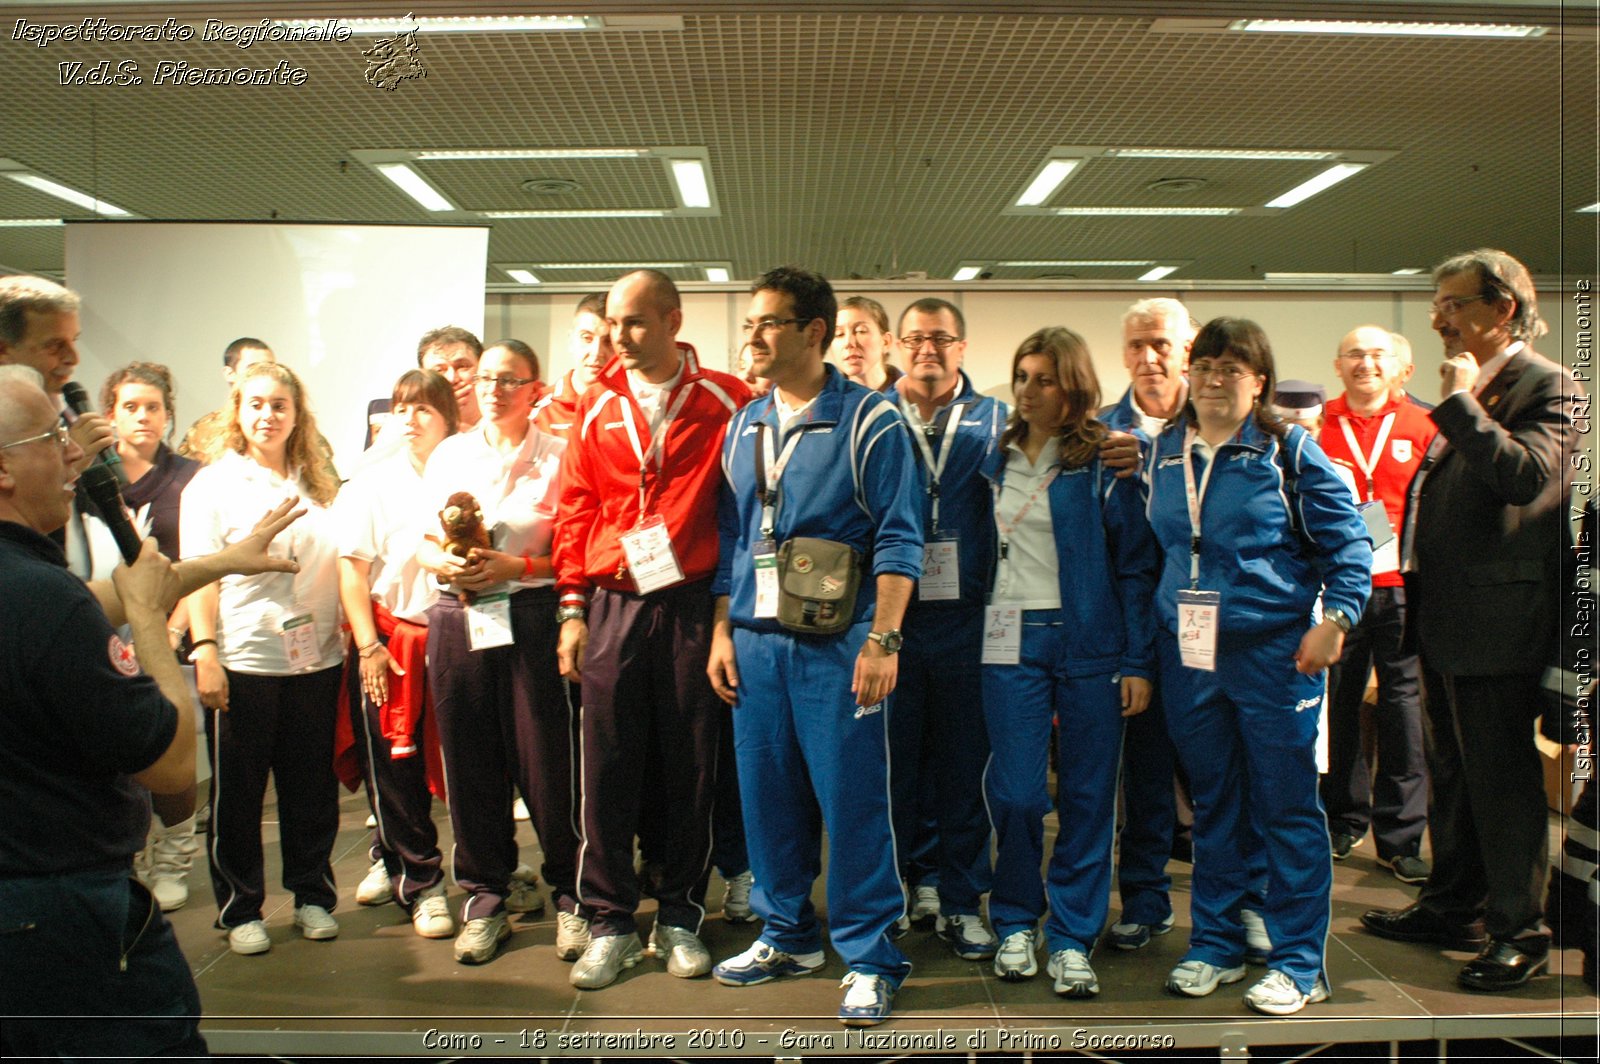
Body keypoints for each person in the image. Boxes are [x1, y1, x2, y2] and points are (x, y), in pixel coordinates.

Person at [0, 362, 302, 1057]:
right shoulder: (41, 599)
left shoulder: (31, 590)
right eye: (53, 437)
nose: (77, 451)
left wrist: (224, 561)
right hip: (64, 922)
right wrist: (156, 629)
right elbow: (170, 769)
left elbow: (93, 600)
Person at [1362, 249, 1581, 991]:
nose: (1438, 316)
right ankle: (1454, 905)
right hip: (1447, 620)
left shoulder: (1548, 385)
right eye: (1437, 301)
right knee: (1453, 776)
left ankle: (1522, 930)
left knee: (1502, 782)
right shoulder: (1477, 388)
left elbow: (1527, 478)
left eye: (1453, 303)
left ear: (1503, 308)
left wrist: (1460, 405)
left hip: (1500, 625)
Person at [708, 266, 921, 1027]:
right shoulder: (745, 423)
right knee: (766, 796)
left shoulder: (871, 422)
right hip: (759, 646)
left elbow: (901, 539)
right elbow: (734, 537)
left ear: (814, 332)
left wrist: (883, 640)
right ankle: (788, 932)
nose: (754, 338)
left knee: (853, 801)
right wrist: (722, 632)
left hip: (841, 646)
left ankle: (869, 955)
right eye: (750, 325)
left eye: (768, 323)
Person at [1144, 317, 1371, 1015]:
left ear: (1259, 382)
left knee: (1286, 806)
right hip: (1191, 653)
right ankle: (1215, 943)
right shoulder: (1163, 452)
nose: (1214, 379)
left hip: (1275, 655)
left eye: (1232, 369)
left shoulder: (1288, 452)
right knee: (1214, 803)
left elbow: (1351, 547)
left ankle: (1299, 963)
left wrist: (1336, 622)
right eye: (1205, 365)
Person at [552, 269, 750, 988]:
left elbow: (747, 510)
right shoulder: (595, 401)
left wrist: (731, 610)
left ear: (672, 319)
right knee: (606, 765)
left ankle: (680, 914)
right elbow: (575, 509)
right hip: (614, 602)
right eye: (612, 323)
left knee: (691, 764)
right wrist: (571, 611)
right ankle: (608, 920)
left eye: (634, 322)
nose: (619, 337)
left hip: (694, 603)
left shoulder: (731, 399)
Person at [981, 327, 1158, 998]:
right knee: (1020, 793)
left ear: (1074, 386)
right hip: (1008, 642)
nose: (1028, 391)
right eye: (1022, 376)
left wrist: (1137, 658)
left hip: (1090, 643)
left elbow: (1137, 567)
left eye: (1044, 379)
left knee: (1088, 796)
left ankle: (1074, 936)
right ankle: (1017, 920)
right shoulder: (992, 458)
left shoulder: (1105, 463)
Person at [415, 340, 577, 965]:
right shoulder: (451, 453)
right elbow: (422, 543)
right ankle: (486, 895)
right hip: (461, 617)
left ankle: (570, 893)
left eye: (510, 379)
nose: (493, 389)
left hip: (532, 614)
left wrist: (519, 564)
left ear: (535, 388)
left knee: (547, 764)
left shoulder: (561, 456)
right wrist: (447, 561)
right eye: (485, 378)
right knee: (470, 761)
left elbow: (575, 551)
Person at [181, 361, 346, 956]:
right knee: (240, 793)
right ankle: (240, 907)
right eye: (256, 403)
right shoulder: (212, 486)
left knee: (310, 789)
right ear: (237, 410)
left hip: (318, 659)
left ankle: (313, 897)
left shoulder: (320, 481)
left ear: (297, 414)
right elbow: (199, 578)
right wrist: (205, 651)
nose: (267, 415)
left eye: (279, 404)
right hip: (245, 658)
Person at [885, 296, 1002, 954]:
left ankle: (961, 899)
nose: (927, 349)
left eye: (941, 338)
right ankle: (902, 885)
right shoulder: (872, 415)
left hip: (968, 622)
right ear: (899, 347)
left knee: (964, 771)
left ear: (962, 348)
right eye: (916, 339)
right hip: (892, 619)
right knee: (894, 769)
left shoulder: (997, 421)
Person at [336, 370, 458, 938]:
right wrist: (368, 647)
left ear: (448, 419)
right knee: (395, 768)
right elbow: (352, 572)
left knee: (473, 766)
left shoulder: (466, 471)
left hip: (460, 637)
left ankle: (490, 877)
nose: (410, 419)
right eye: (402, 408)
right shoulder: (371, 484)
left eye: (424, 409)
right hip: (393, 639)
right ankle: (421, 882)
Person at [1095, 297, 1195, 952]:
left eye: (1160, 343)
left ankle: (1236, 898)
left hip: (1210, 621)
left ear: (1187, 347)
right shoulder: (1097, 432)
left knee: (1219, 775)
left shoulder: (1216, 421)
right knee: (1146, 772)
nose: (1148, 357)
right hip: (1130, 627)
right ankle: (1145, 896)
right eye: (1135, 345)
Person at [1317, 326, 1435, 883]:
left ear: (1403, 370)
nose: (1366, 363)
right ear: (1338, 366)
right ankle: (1343, 818)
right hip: (1338, 586)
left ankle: (1402, 834)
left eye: (1378, 354)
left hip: (1403, 587)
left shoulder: (1431, 425)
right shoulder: (1315, 425)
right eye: (1355, 354)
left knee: (1402, 709)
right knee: (1337, 704)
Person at [101, 362, 205, 911]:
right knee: (117, 750)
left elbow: (202, 561)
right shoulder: (89, 476)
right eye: (130, 406)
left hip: (170, 633)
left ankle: (174, 855)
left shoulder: (191, 476)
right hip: (104, 634)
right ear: (110, 413)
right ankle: (135, 856)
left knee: (171, 746)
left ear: (169, 413)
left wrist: (171, 629)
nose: (143, 417)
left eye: (153, 407)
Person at [178, 338, 275, 459]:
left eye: (270, 368)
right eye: (253, 369)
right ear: (230, 374)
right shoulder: (205, 432)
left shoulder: (283, 424)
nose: (264, 375)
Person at [534, 293, 611, 439]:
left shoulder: (633, 407)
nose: (597, 352)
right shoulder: (536, 407)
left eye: (608, 341)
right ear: (571, 341)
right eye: (587, 338)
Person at [831, 295, 902, 393]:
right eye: (839, 334)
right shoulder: (825, 399)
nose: (848, 342)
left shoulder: (912, 392)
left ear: (886, 342)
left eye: (861, 331)